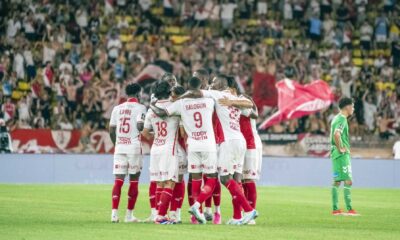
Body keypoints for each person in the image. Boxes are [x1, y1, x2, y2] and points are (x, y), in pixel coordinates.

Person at [177, 75, 258, 225]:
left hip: (228, 142)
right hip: (240, 141)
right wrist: (233, 101)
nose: (211, 85)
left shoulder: (217, 94)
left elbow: (196, 93)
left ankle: (248, 210)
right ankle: (237, 216)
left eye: (214, 82)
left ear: (221, 84)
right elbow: (251, 108)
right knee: (235, 179)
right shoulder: (235, 97)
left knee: (224, 178)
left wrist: (180, 97)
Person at [150, 77, 219, 225]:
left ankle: (189, 213)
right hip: (207, 144)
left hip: (192, 145)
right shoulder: (209, 101)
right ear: (200, 86)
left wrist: (151, 105)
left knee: (194, 180)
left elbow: (162, 113)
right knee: (212, 178)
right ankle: (196, 207)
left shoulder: (180, 104)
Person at [142, 81, 180, 224]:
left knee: (159, 183)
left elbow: (145, 133)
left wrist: (157, 135)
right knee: (170, 183)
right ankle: (161, 216)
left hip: (156, 148)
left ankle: (159, 214)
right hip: (169, 149)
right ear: (169, 92)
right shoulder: (174, 106)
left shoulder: (151, 110)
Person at [109, 83, 147, 223]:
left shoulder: (117, 108)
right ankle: (129, 216)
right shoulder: (141, 108)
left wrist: (117, 144)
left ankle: (114, 214)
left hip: (120, 148)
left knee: (118, 181)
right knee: (134, 181)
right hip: (134, 148)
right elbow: (140, 126)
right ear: (138, 93)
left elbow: (111, 130)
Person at [330, 97, 359, 216]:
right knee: (348, 180)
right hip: (341, 154)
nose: (353, 108)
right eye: (352, 106)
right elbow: (337, 134)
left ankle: (335, 209)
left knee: (337, 181)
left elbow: (335, 134)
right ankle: (350, 209)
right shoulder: (342, 119)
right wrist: (341, 148)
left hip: (335, 154)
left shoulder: (336, 118)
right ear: (347, 107)